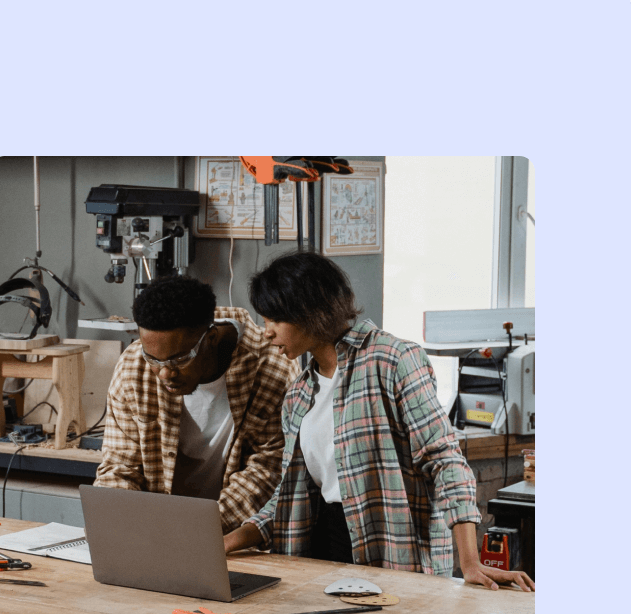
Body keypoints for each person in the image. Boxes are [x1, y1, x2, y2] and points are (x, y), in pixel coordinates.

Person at [223, 252, 534, 591]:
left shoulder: (393, 360)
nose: (266, 333)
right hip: (318, 549)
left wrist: (471, 563)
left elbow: (446, 462)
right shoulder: (299, 393)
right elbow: (288, 496)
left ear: (308, 312)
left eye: (273, 320)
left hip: (392, 555)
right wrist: (225, 544)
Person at [95, 275, 298, 531]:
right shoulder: (133, 366)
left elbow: (267, 470)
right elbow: (120, 466)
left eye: (179, 359)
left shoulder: (272, 368)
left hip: (231, 531)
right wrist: (123, 525)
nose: (165, 373)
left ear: (210, 339)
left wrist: (194, 529)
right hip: (153, 530)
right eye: (154, 359)